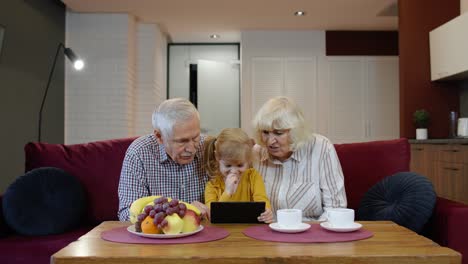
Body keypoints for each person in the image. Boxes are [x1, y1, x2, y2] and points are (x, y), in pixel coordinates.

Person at [252, 96, 347, 221]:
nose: (270, 141)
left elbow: (336, 208)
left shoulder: (322, 148)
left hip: (311, 233)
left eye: (278, 133)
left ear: (295, 131)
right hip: (267, 233)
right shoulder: (257, 153)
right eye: (265, 132)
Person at [118, 98, 209, 221]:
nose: (192, 149)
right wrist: (178, 214)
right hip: (157, 237)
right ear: (159, 136)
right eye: (182, 141)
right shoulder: (138, 153)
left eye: (196, 137)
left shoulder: (208, 147)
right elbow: (127, 215)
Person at [203, 128, 273, 223]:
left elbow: (262, 200)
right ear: (217, 158)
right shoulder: (212, 186)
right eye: (228, 165)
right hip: (222, 231)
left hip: (250, 230)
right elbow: (213, 216)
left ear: (248, 160)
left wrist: (266, 211)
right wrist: (227, 192)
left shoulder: (253, 177)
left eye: (240, 165)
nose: (234, 171)